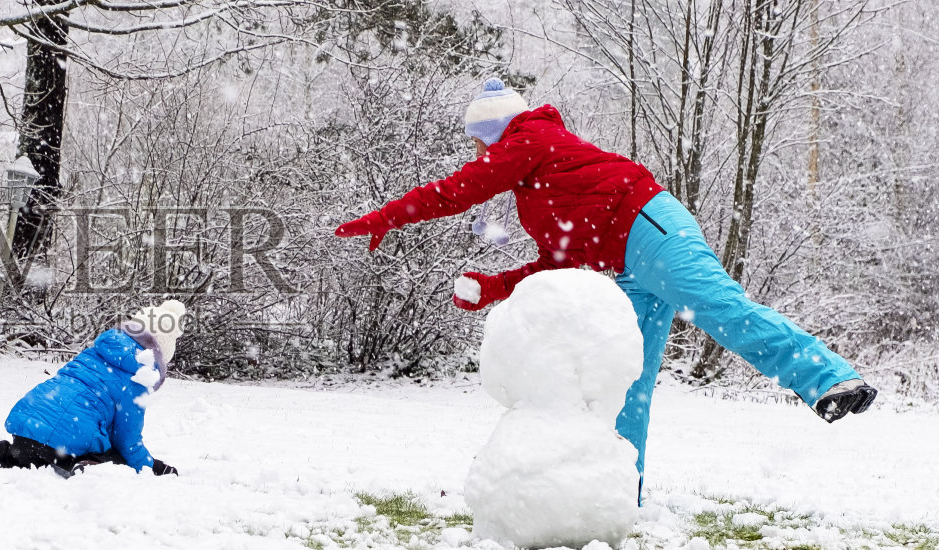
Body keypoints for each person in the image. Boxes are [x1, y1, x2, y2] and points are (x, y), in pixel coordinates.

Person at [334, 78, 879, 483]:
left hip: (650, 228)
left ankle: (828, 378)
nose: (478, 156)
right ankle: (616, 493)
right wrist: (496, 284)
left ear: (492, 133)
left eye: (479, 144)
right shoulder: (536, 186)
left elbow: (458, 191)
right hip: (623, 267)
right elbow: (559, 259)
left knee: (720, 308)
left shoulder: (529, 139)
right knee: (624, 384)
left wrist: (387, 216)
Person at [0, 300, 186, 478]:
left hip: (29, 421)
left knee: (16, 456)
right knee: (115, 456)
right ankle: (88, 466)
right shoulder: (140, 374)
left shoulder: (97, 351)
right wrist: (152, 467)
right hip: (68, 441)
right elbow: (127, 441)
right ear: (159, 354)